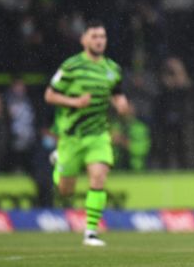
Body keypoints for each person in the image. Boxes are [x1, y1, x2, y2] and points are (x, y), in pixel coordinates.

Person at [44, 20, 129, 247]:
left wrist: (122, 105)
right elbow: (50, 95)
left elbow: (118, 94)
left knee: (98, 177)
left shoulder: (112, 69)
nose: (99, 41)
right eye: (94, 36)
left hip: (98, 134)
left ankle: (90, 232)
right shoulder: (71, 66)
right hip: (72, 136)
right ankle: (58, 161)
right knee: (65, 190)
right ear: (84, 40)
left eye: (102, 37)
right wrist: (74, 101)